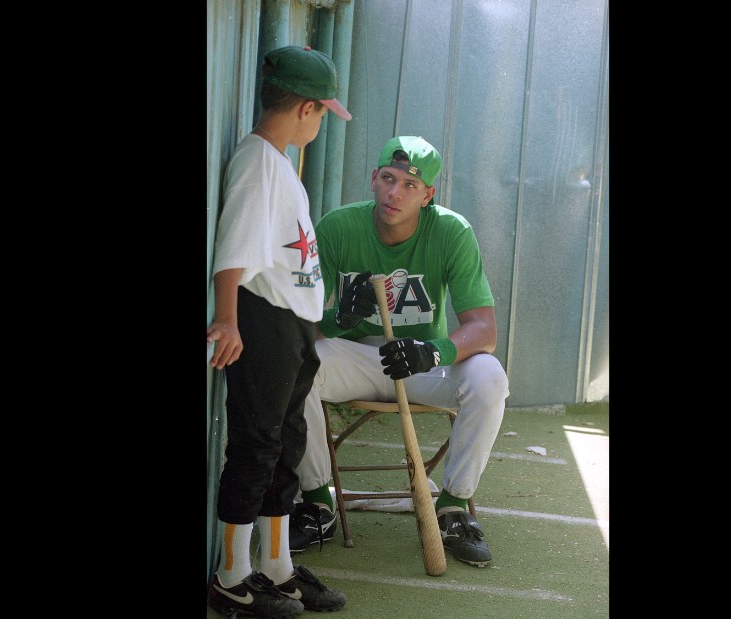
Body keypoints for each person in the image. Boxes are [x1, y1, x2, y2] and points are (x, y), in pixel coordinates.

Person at [289, 135, 510, 568]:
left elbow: (484, 330)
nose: (394, 193)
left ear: (428, 195)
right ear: (373, 179)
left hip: (420, 362)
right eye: (388, 179)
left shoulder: (451, 231)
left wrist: (435, 351)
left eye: (410, 185)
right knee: (295, 365)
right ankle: (317, 502)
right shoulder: (337, 227)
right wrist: (337, 319)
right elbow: (296, 324)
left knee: (490, 377)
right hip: (356, 358)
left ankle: (451, 507)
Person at [205, 45, 351, 617]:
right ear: (308, 108)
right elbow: (232, 251)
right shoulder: (258, 162)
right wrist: (228, 319)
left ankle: (276, 567)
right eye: (323, 112)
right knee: (256, 445)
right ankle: (231, 576)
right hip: (262, 322)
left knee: (285, 445)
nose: (321, 122)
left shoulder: (277, 160)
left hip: (291, 325)